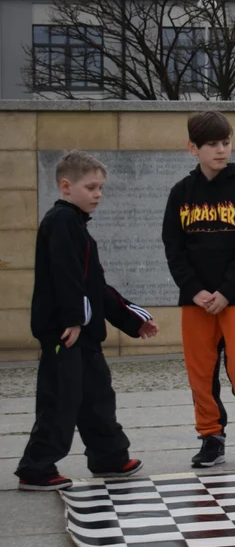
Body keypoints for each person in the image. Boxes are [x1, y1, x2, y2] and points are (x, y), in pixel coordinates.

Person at [16, 152, 159, 491]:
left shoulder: (77, 226)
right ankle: (36, 468)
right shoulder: (62, 221)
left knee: (97, 397)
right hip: (65, 332)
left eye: (101, 188)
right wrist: (74, 320)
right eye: (91, 187)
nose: (98, 194)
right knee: (60, 399)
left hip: (84, 334)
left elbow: (94, 284)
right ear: (66, 187)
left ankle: (109, 456)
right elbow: (66, 277)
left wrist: (133, 319)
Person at [162, 111, 235, 469]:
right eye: (212, 144)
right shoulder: (181, 192)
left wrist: (226, 291)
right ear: (192, 148)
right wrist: (195, 290)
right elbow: (172, 246)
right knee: (200, 372)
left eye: (226, 142)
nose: (221, 150)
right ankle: (211, 436)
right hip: (195, 301)